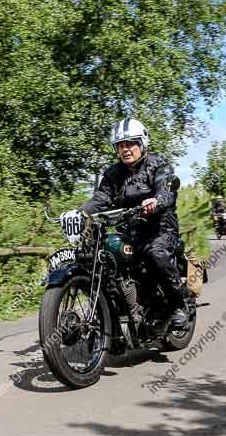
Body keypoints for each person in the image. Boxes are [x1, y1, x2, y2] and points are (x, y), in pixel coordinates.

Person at [65, 118, 188, 330]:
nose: (125, 149)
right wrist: (81, 212)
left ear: (142, 143)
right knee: (105, 256)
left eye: (130, 143)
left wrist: (156, 201)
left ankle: (179, 306)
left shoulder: (159, 165)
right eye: (120, 145)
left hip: (160, 229)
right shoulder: (113, 174)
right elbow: (100, 199)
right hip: (130, 231)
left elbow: (167, 190)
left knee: (156, 253)